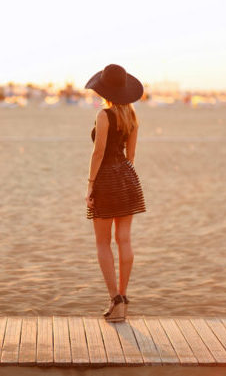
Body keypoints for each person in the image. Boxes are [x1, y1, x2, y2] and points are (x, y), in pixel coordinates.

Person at [84, 64, 146, 322]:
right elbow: (130, 156)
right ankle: (124, 297)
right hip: (127, 178)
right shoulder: (132, 117)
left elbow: (98, 153)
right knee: (124, 239)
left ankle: (115, 299)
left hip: (106, 180)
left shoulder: (104, 115)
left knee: (102, 242)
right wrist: (123, 175)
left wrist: (90, 183)